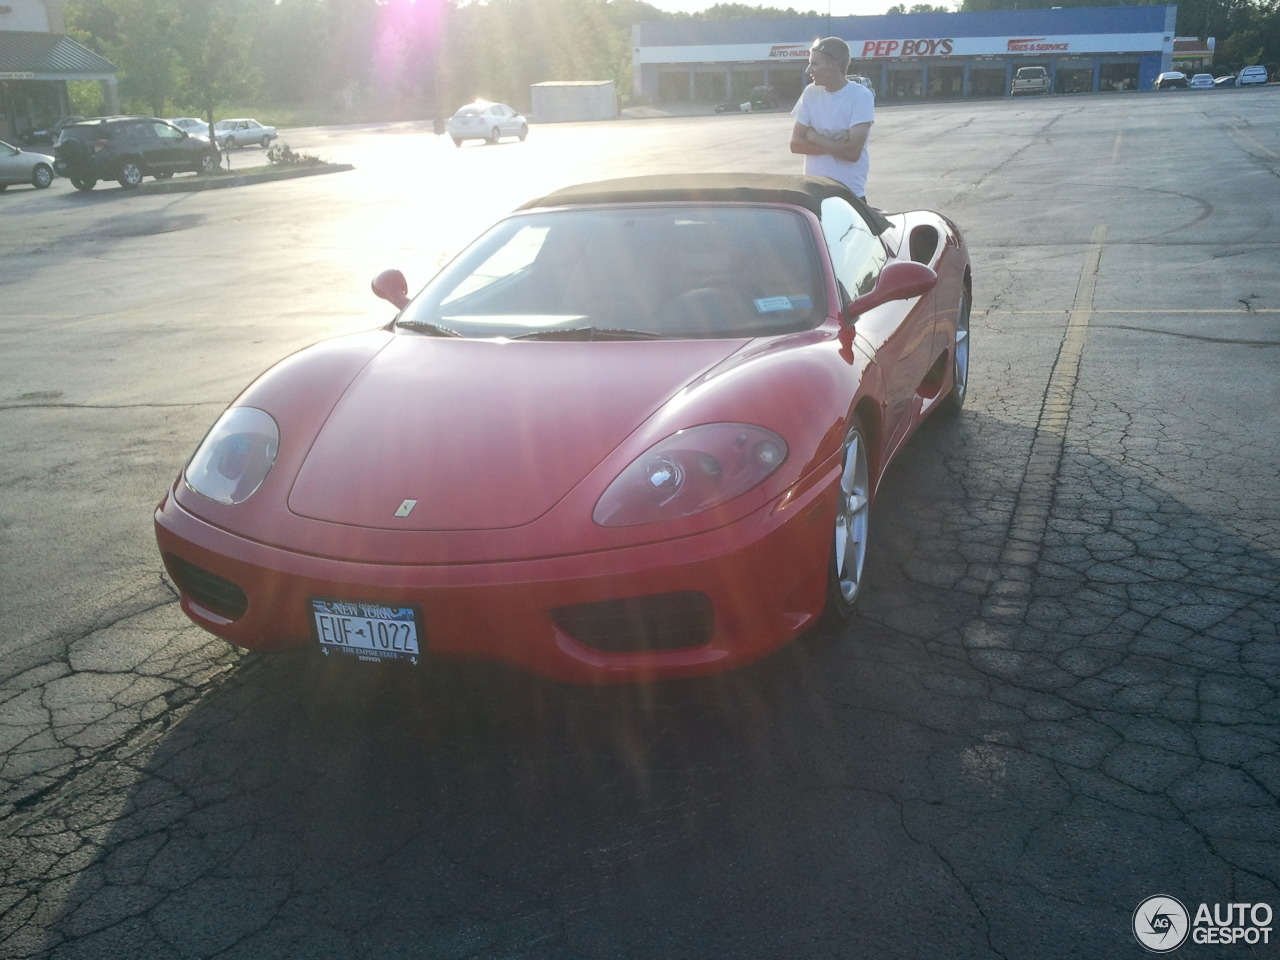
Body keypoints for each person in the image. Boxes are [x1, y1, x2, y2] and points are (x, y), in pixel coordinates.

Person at [790, 37, 875, 201]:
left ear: (834, 64)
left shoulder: (861, 96)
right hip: (813, 195)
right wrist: (837, 145)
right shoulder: (810, 93)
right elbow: (795, 145)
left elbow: (852, 152)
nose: (808, 70)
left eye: (814, 64)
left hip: (849, 196)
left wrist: (813, 136)